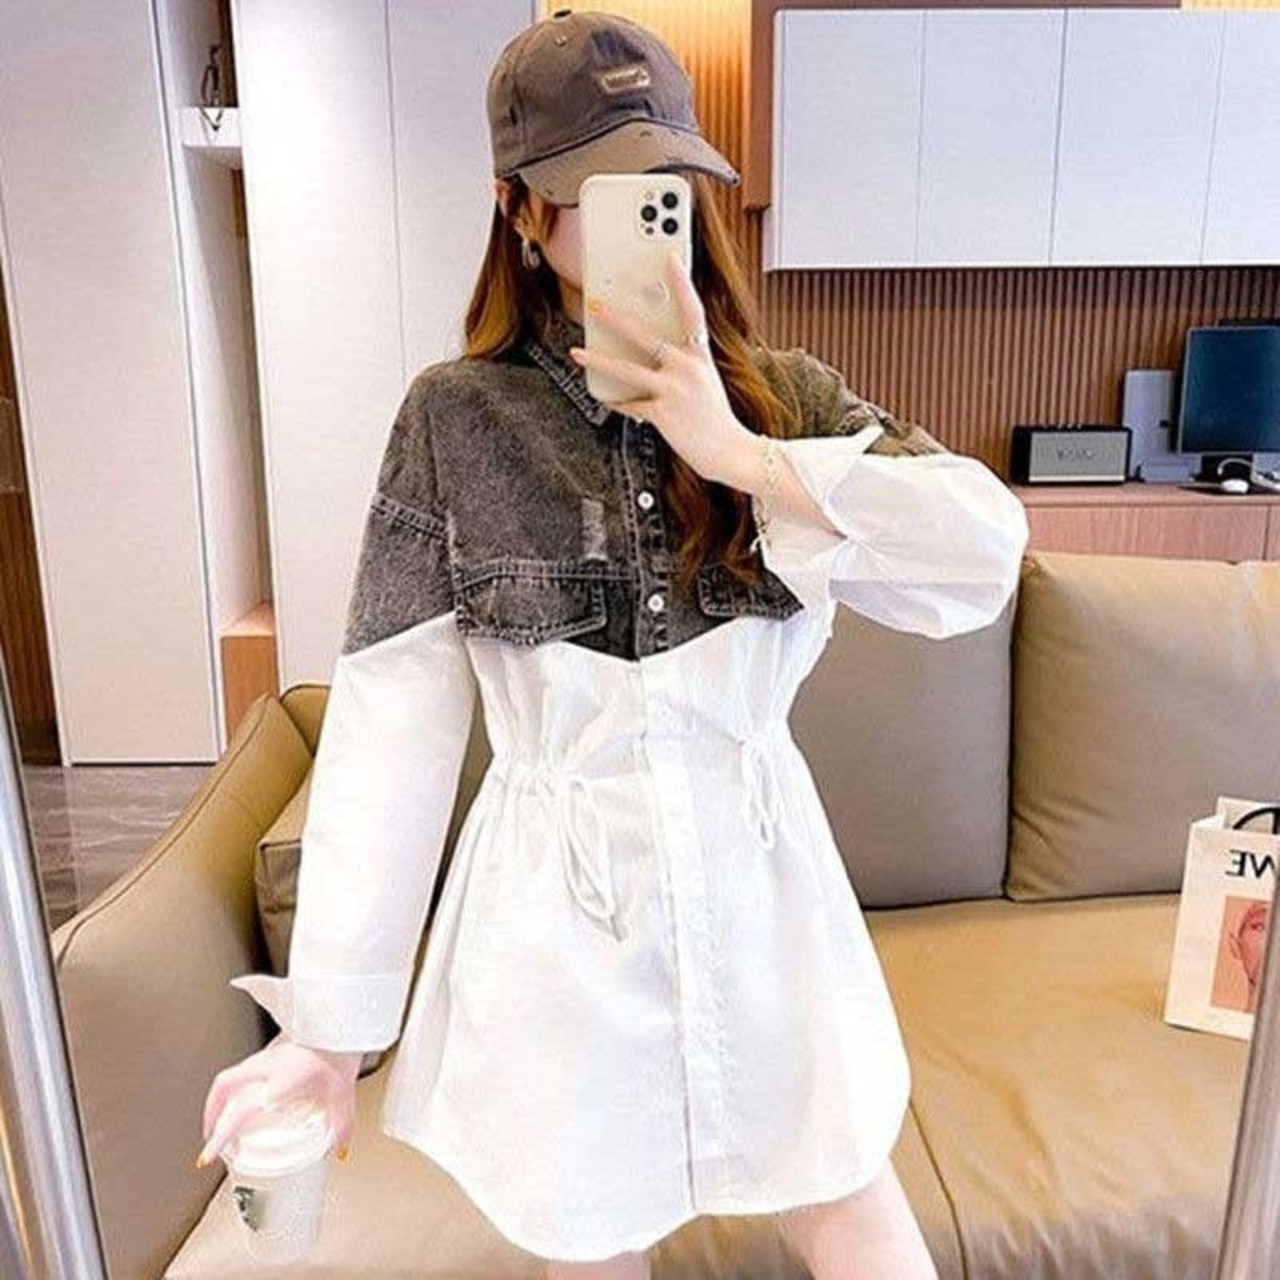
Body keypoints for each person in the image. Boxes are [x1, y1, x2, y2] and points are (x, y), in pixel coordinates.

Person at [198, 10, 1029, 1278]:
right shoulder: (455, 420)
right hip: (555, 911)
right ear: (519, 210)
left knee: (841, 1190)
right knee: (586, 1228)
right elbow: (388, 724)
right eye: (602, 187)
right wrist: (327, 1028)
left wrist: (739, 454)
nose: (654, 211)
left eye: (668, 180)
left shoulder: (783, 396)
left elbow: (976, 557)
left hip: (759, 881)